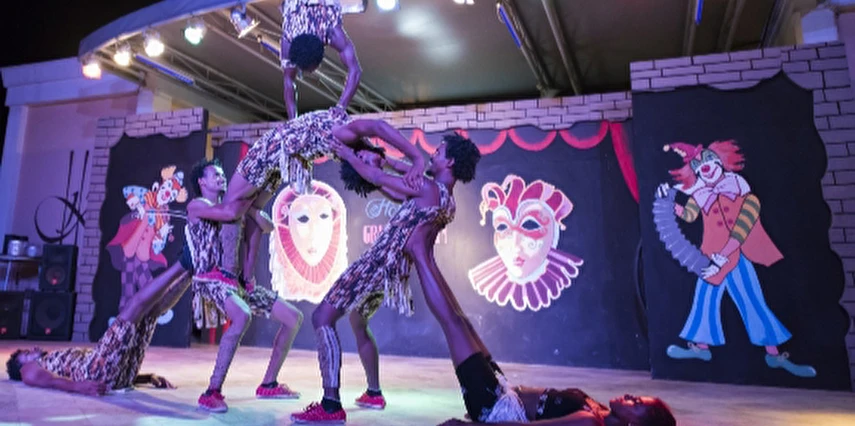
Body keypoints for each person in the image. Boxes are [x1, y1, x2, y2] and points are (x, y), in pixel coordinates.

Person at [290, 133, 479, 424]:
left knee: (321, 318)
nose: (432, 154)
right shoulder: (445, 199)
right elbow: (400, 185)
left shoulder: (428, 188)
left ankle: (330, 406)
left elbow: (378, 178)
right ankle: (374, 393)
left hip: (375, 265)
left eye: (439, 151)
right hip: (391, 275)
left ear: (450, 161)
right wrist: (382, 158)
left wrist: (349, 155)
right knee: (357, 319)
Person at [186, 158, 305, 413]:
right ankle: (211, 391)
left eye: (222, 174)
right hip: (210, 281)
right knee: (242, 315)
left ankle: (269, 383)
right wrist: (251, 200)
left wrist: (252, 209)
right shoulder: (197, 205)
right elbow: (229, 213)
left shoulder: (237, 208)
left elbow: (267, 226)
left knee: (293, 317)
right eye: (215, 174)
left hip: (236, 283)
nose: (221, 177)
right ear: (202, 181)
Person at [5, 256, 190, 395]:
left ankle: (191, 270)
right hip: (94, 372)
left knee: (150, 313)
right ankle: (183, 263)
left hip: (120, 377)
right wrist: (77, 387)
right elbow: (39, 378)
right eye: (27, 354)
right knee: (135, 306)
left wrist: (147, 377)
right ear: (19, 367)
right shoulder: (27, 370)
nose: (33, 349)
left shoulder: (49, 361)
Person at [279, 0, 361, 119]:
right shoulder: (288, 40)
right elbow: (288, 81)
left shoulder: (332, 31)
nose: (311, 72)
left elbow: (356, 70)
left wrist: (341, 106)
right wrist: (293, 120)